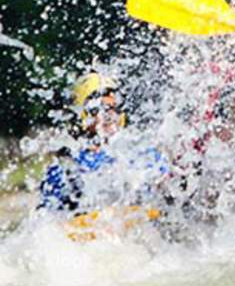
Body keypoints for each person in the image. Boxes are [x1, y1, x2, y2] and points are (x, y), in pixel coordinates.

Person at [39, 72, 168, 213]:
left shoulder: (145, 155)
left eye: (115, 107)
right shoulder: (67, 168)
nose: (108, 115)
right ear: (81, 114)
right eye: (97, 108)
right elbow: (50, 222)